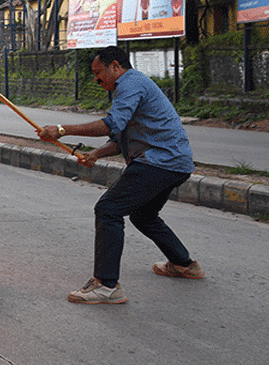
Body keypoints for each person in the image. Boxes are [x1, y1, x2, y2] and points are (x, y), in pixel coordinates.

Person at [37, 46, 204, 305]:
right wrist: (95, 155)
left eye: (98, 72)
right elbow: (118, 138)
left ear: (115, 66)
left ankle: (106, 285)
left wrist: (61, 129)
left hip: (160, 162)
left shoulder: (130, 84)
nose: (96, 79)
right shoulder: (127, 88)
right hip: (175, 163)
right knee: (143, 215)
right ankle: (184, 264)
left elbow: (110, 124)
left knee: (108, 209)